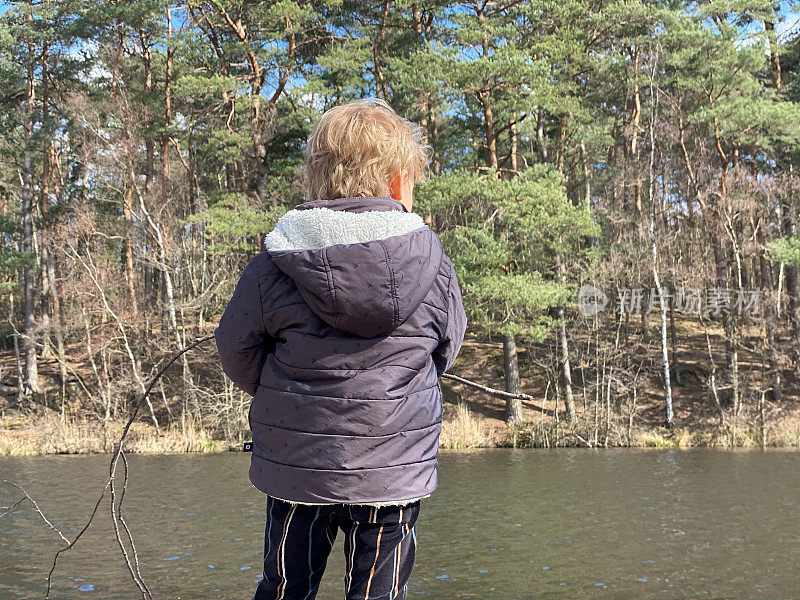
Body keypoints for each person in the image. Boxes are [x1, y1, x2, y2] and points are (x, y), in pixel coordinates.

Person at [215, 98, 467, 600]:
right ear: (398, 181)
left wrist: (289, 396)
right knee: (379, 594)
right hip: (392, 466)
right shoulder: (432, 264)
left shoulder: (276, 260)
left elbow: (235, 349)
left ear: (319, 178)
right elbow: (445, 350)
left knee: (285, 588)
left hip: (298, 463)